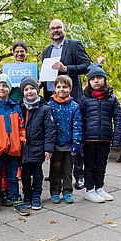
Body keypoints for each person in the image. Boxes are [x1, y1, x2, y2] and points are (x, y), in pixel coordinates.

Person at [41, 19, 91, 188]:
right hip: (52, 100)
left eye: (58, 28)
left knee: (75, 136)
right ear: (49, 31)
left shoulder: (74, 45)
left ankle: (79, 175)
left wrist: (66, 69)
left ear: (64, 29)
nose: (55, 31)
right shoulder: (46, 51)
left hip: (71, 99)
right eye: (52, 28)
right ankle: (58, 173)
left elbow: (87, 66)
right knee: (55, 136)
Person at [0, 74, 29, 217]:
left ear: (9, 88)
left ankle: (16, 199)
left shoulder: (15, 106)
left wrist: (21, 140)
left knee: (13, 176)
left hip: (13, 149)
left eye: (4, 86)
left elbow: (21, 127)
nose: (1, 88)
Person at [79, 63, 121, 203]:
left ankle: (99, 187)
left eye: (99, 78)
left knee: (102, 164)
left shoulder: (112, 99)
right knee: (89, 165)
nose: (96, 81)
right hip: (89, 139)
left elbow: (118, 120)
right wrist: (79, 139)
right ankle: (89, 190)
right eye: (93, 79)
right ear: (89, 81)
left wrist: (117, 140)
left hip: (105, 138)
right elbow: (78, 120)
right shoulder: (85, 99)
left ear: (104, 79)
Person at [19, 77, 55, 210]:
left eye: (32, 88)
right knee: (25, 174)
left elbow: (49, 130)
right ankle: (27, 195)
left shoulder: (44, 109)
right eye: (26, 89)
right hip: (23, 148)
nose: (29, 91)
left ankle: (36, 196)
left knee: (38, 173)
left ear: (37, 89)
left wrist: (48, 148)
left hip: (38, 147)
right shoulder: (19, 107)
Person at [48, 75, 83, 204]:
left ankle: (67, 191)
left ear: (70, 88)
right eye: (59, 87)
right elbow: (47, 126)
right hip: (55, 145)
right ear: (55, 89)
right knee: (55, 169)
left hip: (69, 145)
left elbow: (78, 125)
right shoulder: (49, 106)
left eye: (65, 86)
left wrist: (76, 142)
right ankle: (55, 191)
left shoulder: (74, 106)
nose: (61, 89)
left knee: (68, 170)